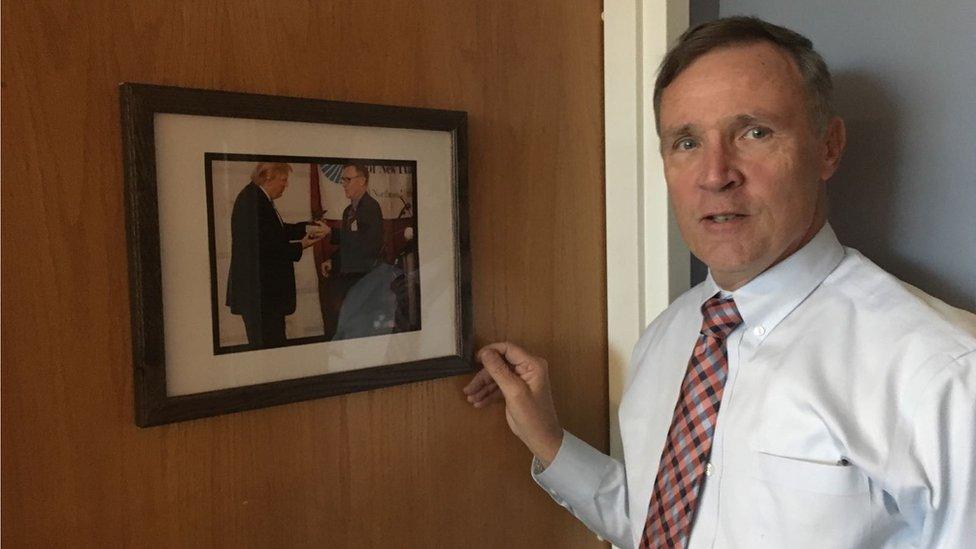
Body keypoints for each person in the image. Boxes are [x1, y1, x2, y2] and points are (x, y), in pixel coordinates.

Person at [463, 16, 976, 548]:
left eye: (754, 132)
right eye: (686, 142)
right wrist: (546, 438)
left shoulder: (943, 375)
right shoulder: (665, 339)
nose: (715, 174)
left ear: (828, 147)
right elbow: (655, 524)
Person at [226, 162, 326, 348]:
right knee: (268, 347)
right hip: (261, 298)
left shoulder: (257, 198)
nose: (286, 185)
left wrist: (306, 227)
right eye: (283, 180)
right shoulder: (252, 202)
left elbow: (276, 232)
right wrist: (301, 246)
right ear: (267, 178)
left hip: (264, 297)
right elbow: (264, 250)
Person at [318, 163, 385, 339]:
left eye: (347, 180)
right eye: (342, 180)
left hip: (363, 281)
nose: (343, 184)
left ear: (362, 181)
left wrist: (332, 232)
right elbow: (349, 245)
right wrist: (333, 260)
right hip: (348, 280)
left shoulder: (371, 208)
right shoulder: (348, 210)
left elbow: (366, 244)